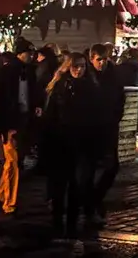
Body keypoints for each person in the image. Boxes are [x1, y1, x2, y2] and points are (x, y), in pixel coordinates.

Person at [41, 52, 100, 237]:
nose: (79, 70)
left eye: (82, 66)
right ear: (68, 67)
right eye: (75, 66)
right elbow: (49, 117)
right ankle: (58, 222)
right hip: (61, 142)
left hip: (82, 142)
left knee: (77, 184)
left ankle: (72, 224)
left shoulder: (91, 87)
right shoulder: (59, 86)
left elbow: (96, 116)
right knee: (60, 184)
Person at [0, 38, 38, 215]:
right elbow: (0, 101)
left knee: (14, 160)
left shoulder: (29, 71)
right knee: (12, 161)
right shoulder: (6, 73)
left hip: (22, 119)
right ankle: (9, 199)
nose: (32, 56)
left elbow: (33, 93)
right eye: (29, 52)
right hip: (11, 122)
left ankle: (4, 193)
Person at [88, 43, 126, 224]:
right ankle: (90, 205)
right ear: (92, 59)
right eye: (98, 60)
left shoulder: (113, 75)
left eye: (104, 59)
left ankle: (94, 198)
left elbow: (120, 97)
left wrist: (116, 116)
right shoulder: (87, 76)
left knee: (112, 165)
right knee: (89, 167)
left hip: (109, 125)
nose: (102, 63)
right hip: (90, 127)